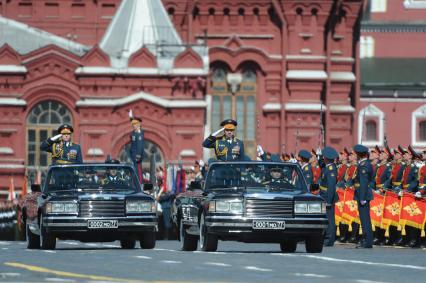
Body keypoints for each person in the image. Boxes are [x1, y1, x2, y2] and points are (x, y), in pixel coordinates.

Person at [353, 144, 374, 249]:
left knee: (365, 219)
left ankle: (367, 240)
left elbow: (364, 182)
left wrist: (362, 198)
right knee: (364, 218)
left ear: (358, 155)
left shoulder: (364, 165)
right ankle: (367, 239)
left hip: (363, 195)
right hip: (362, 193)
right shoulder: (364, 164)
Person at [318, 146, 339, 247]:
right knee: (325, 218)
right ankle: (326, 237)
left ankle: (330, 239)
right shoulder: (327, 167)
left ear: (326, 158)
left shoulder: (331, 169)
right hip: (323, 195)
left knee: (329, 219)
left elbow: (331, 187)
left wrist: (329, 201)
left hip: (328, 196)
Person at [129, 110, 145, 183]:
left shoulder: (139, 134)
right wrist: (131, 118)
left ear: (139, 124)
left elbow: (140, 145)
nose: (133, 125)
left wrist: (138, 156)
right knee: (134, 171)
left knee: (137, 172)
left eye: (135, 124)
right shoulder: (135, 133)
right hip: (133, 155)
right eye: (133, 124)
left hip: (136, 157)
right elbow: (131, 135)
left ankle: (138, 183)